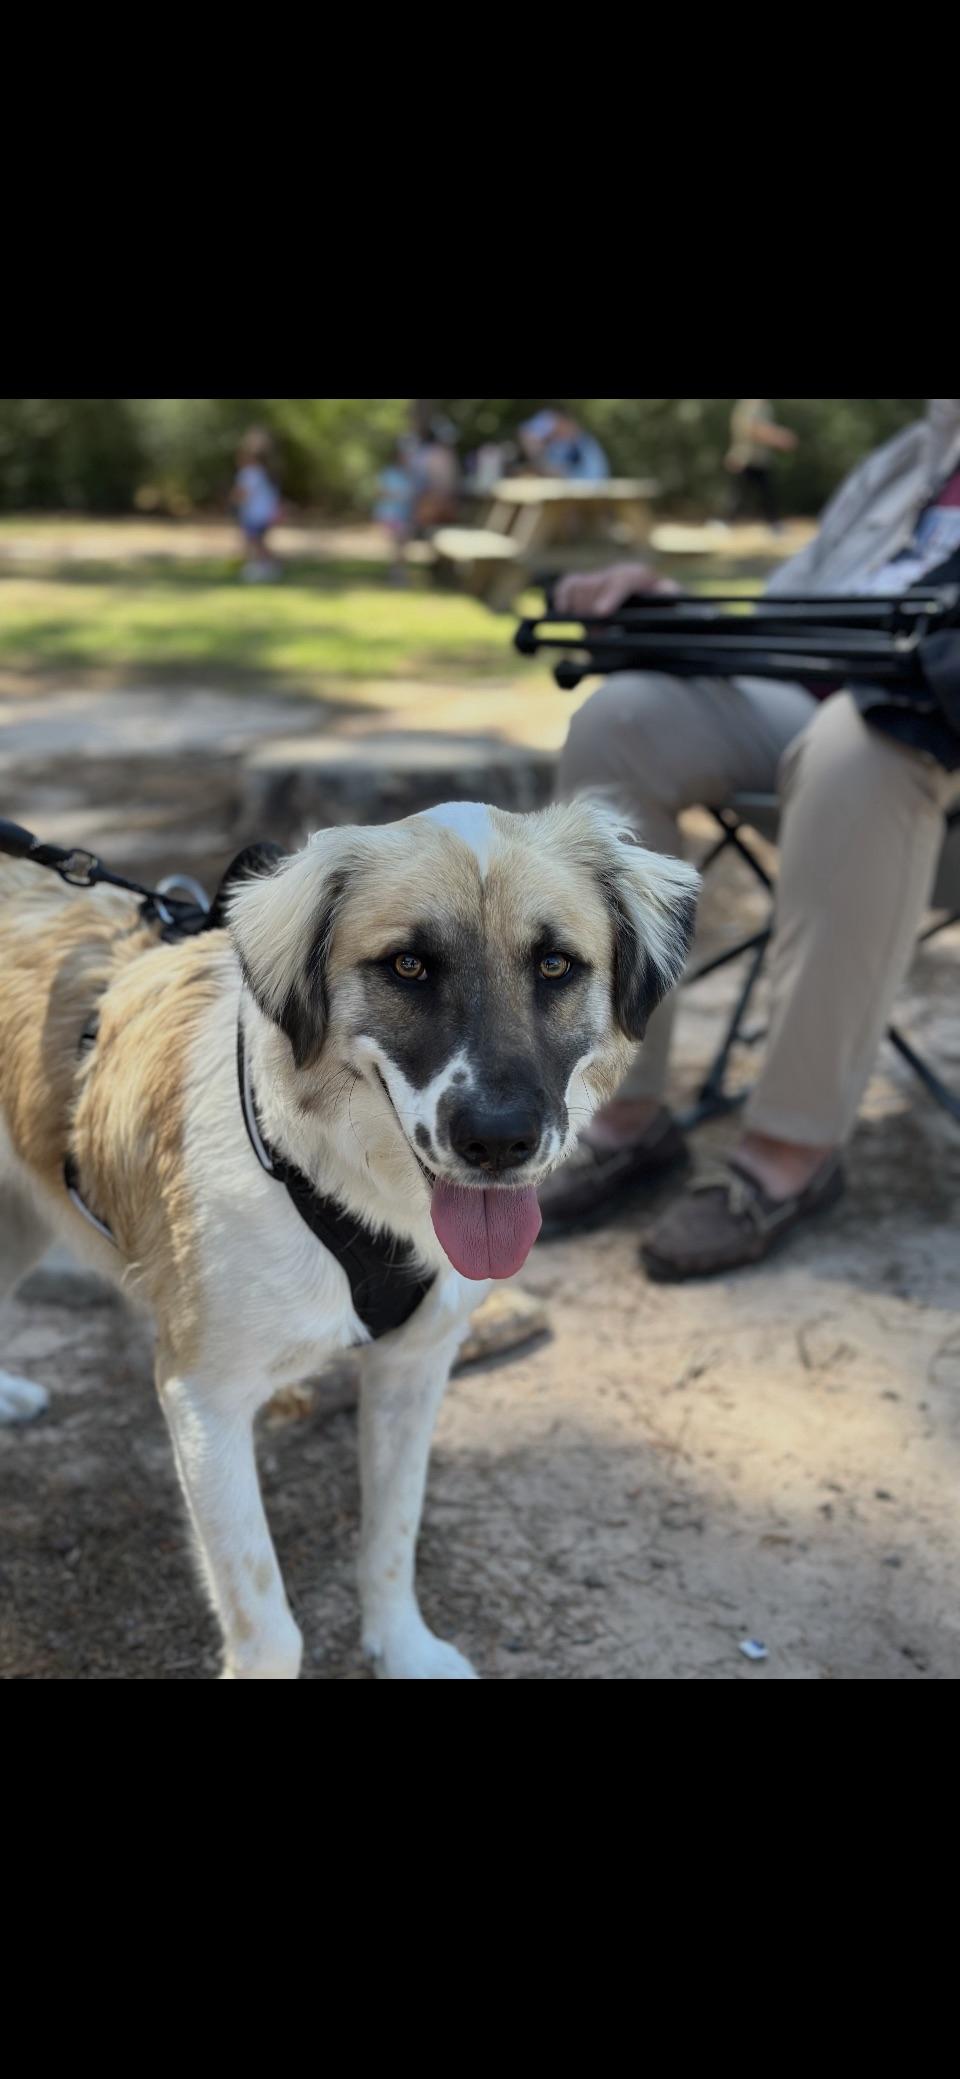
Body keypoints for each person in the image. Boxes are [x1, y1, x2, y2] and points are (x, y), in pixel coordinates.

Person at [538, 399, 960, 1280]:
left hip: (915, 764)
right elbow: (786, 621)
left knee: (866, 738)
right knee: (620, 721)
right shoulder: (915, 457)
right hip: (810, 718)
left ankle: (789, 1156)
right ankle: (623, 1112)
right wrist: (675, 611)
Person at [725, 398, 797, 529]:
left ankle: (773, 523)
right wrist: (779, 438)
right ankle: (726, 523)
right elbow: (753, 429)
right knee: (740, 495)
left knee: (766, 493)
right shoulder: (750, 404)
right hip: (745, 458)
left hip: (761, 459)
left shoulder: (766, 406)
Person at [231, 427, 283, 581]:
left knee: (254, 542)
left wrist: (233, 500)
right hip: (264, 514)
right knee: (257, 542)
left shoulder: (249, 473)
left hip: (255, 515)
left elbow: (242, 494)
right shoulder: (263, 473)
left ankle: (264, 567)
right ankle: (265, 565)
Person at [519, 408, 610, 482]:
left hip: (586, 493)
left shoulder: (581, 444)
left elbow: (592, 479)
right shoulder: (559, 445)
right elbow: (528, 436)